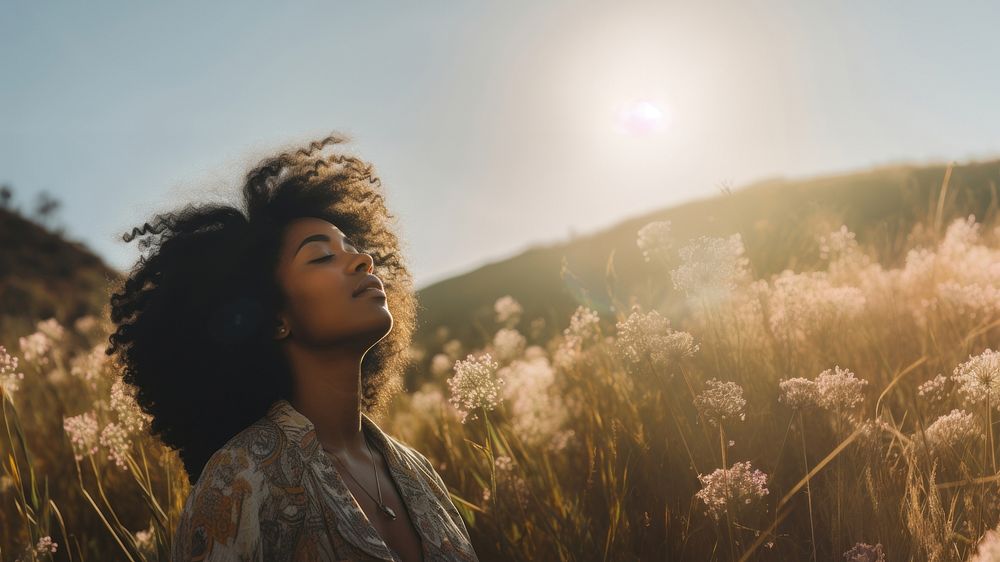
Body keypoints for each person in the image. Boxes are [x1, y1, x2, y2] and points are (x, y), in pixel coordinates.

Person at [106, 134, 480, 561]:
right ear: (274, 318)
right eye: (321, 257)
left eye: (354, 249)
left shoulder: (420, 473)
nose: (363, 262)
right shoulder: (239, 478)